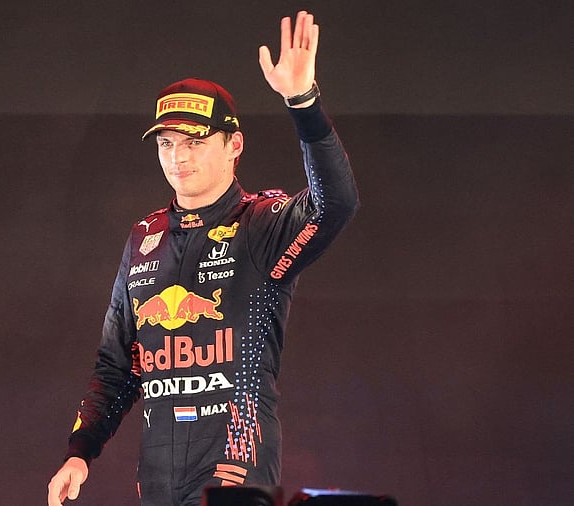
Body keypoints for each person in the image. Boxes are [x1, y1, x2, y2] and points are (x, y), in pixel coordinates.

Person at [48, 10, 359, 506]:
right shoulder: (143, 238)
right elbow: (116, 363)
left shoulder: (261, 223)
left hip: (237, 463)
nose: (179, 157)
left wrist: (303, 103)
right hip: (158, 472)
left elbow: (336, 204)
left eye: (195, 141)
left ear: (234, 144)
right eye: (168, 143)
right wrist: (80, 452)